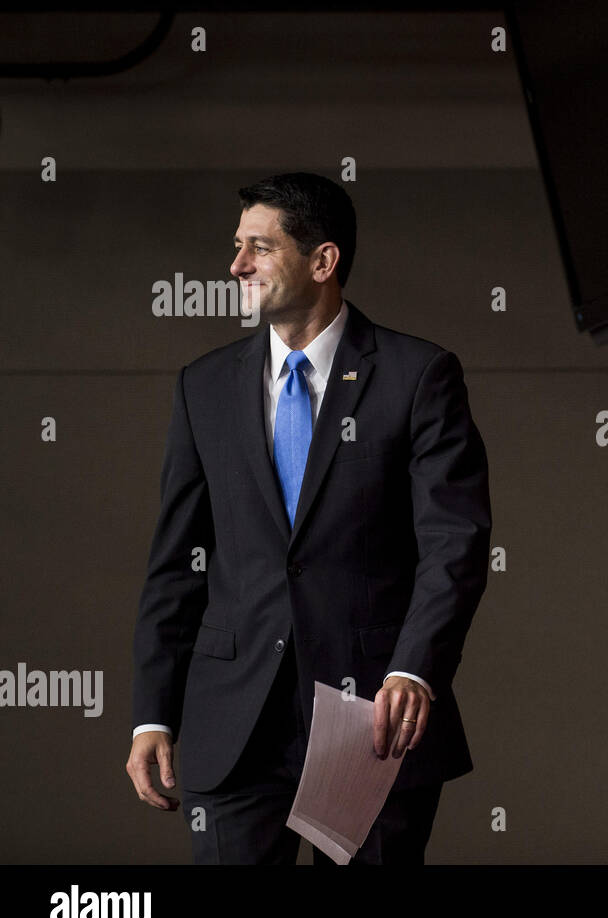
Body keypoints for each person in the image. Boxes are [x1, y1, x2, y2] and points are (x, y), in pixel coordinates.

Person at [124, 172, 492, 864]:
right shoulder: (202, 386)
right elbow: (177, 562)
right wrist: (153, 711)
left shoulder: (419, 376)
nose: (236, 265)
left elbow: (455, 544)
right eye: (237, 246)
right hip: (232, 722)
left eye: (259, 248)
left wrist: (413, 670)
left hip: (368, 721)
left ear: (322, 262)